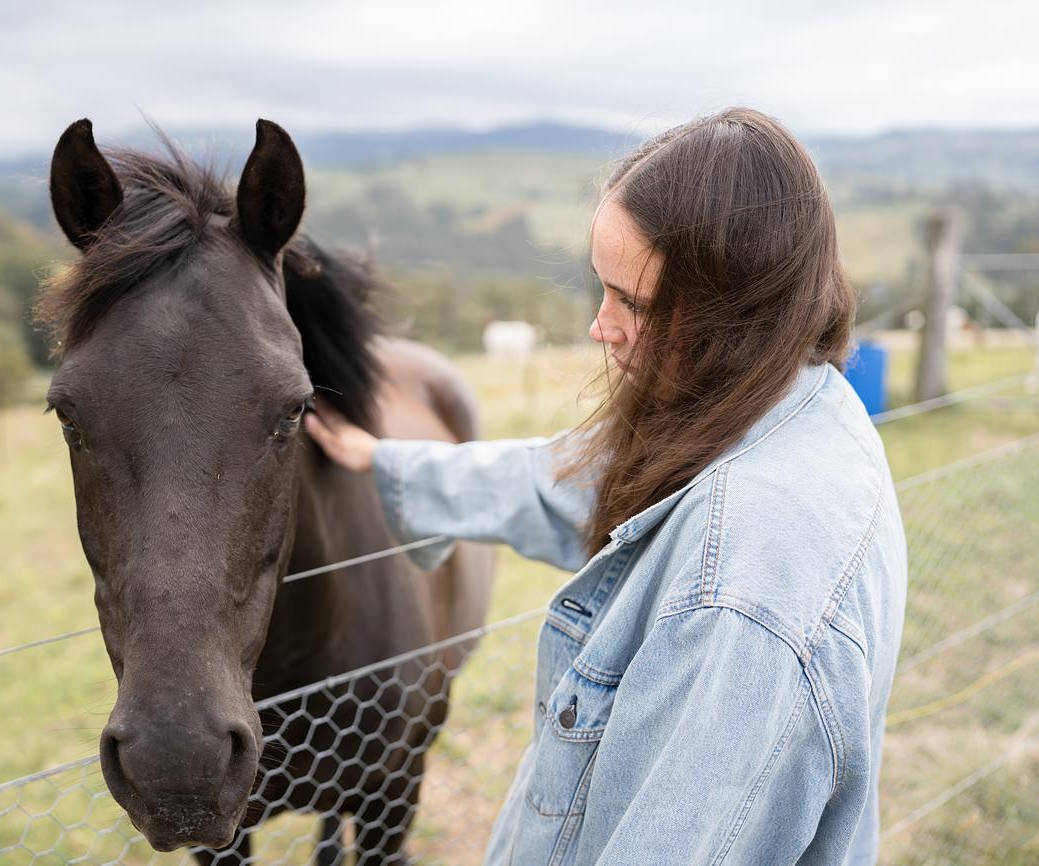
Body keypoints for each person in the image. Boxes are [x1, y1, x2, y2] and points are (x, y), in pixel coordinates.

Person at [304, 107, 907, 866]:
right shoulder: (785, 405)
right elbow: (568, 479)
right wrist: (388, 462)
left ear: (737, 310)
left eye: (634, 303)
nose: (601, 326)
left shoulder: (740, 597)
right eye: (604, 290)